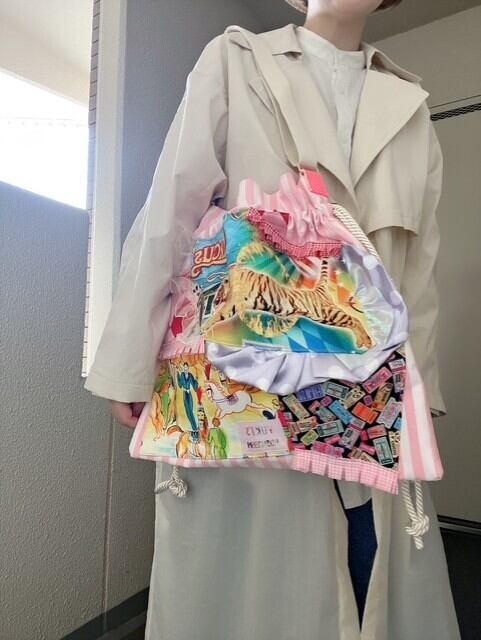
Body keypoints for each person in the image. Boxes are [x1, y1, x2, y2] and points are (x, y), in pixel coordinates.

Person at [84, 1, 461, 638]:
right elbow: (170, 211)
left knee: (368, 581)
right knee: (252, 592)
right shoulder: (235, 61)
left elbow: (418, 271)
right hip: (249, 391)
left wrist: (421, 402)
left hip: (371, 405)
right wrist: (129, 360)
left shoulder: (410, 108)